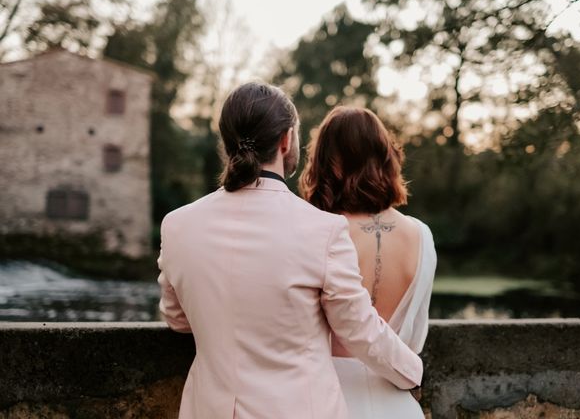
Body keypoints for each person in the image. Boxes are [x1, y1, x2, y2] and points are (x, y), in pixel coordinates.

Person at [156, 82, 423, 419]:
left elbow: (177, 318)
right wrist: (414, 371)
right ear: (286, 140)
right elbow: (358, 329)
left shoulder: (177, 225)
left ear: (227, 143)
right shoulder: (323, 230)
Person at [299, 106, 437, 419]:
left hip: (329, 401)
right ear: (385, 157)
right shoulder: (421, 235)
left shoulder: (320, 231)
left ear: (329, 163)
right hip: (398, 404)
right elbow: (414, 337)